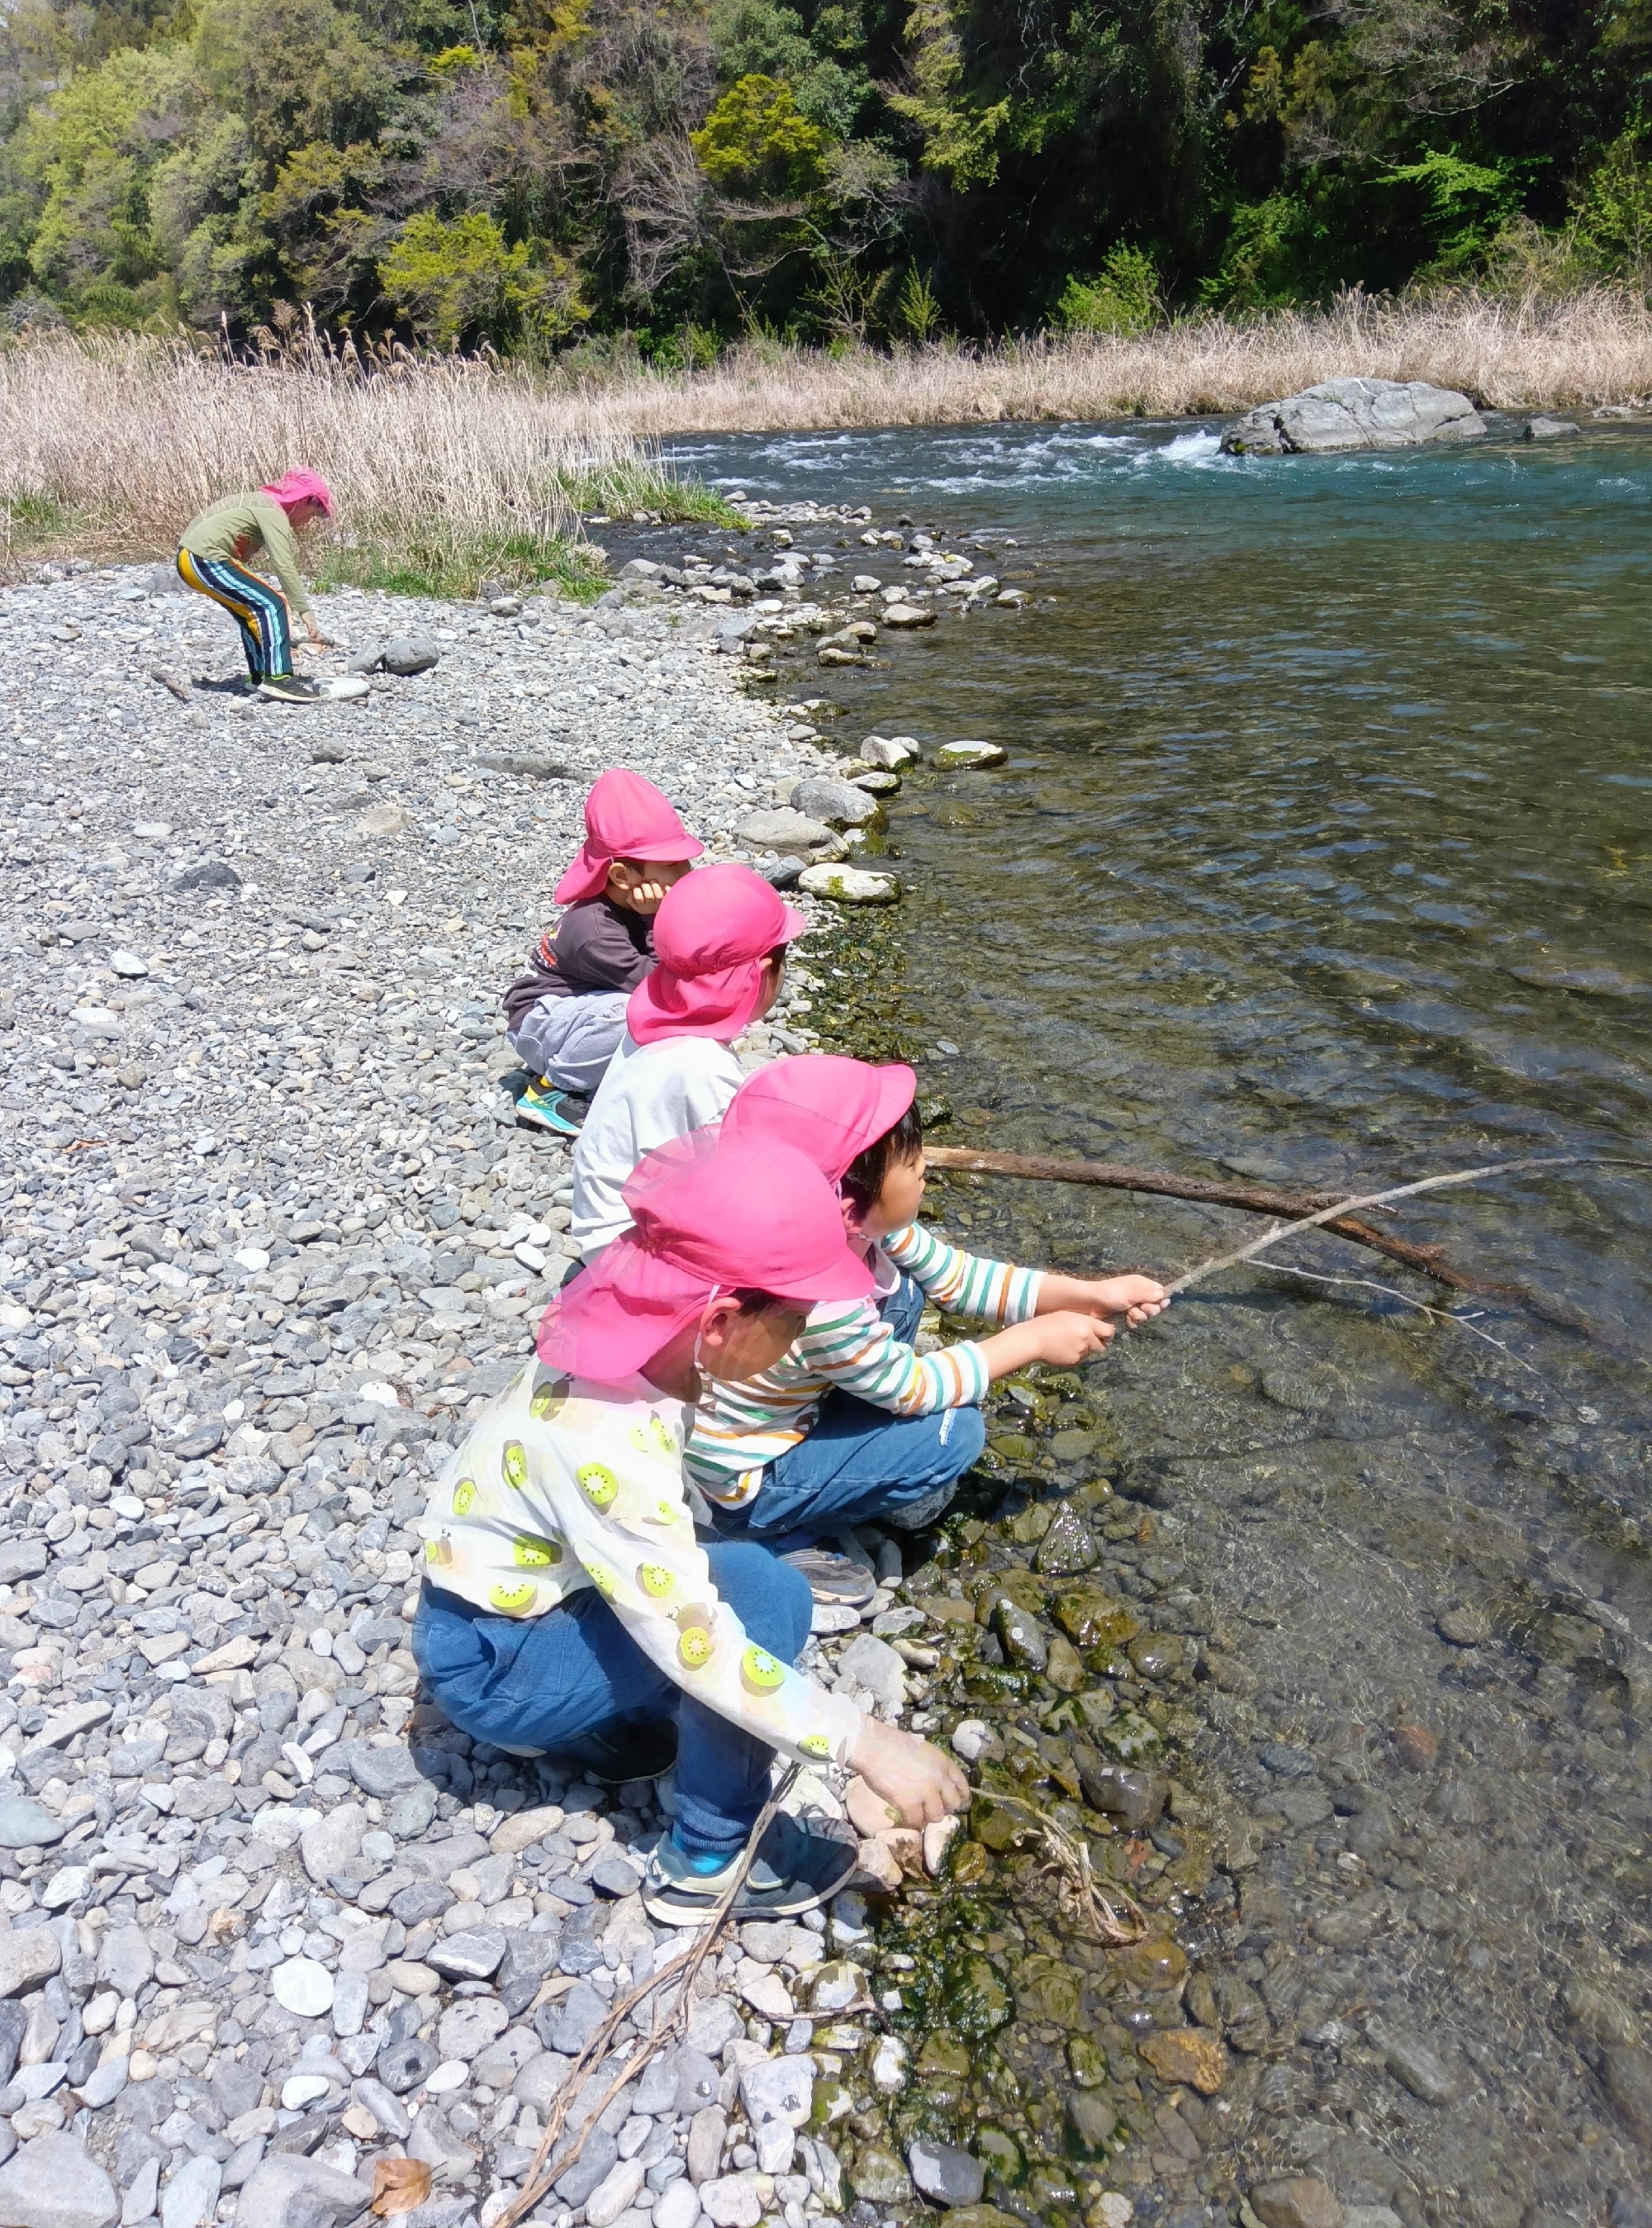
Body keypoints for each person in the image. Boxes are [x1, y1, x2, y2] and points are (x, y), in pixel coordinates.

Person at [413, 1132, 970, 1925]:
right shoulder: (609, 1440)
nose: (803, 1343)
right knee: (764, 1599)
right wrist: (865, 1741)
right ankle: (709, 1860)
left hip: (491, 1619)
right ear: (722, 1323)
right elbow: (699, 1642)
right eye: (798, 1325)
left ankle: (602, 1727)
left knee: (711, 1574)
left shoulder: (625, 1341)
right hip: (494, 1668)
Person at [693, 1054, 1169, 1603]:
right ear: (849, 1206)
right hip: (749, 1481)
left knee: (908, 1287)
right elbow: (915, 1388)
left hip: (787, 1406)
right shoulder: (819, 1302)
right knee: (955, 1435)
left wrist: (1092, 1292)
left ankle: (839, 1433)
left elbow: (960, 1278)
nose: (925, 1168)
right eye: (911, 1159)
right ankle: (767, 1534)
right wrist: (1034, 1341)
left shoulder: (849, 1226)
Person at [567, 862, 804, 1262]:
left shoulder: (658, 1020)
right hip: (635, 1256)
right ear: (762, 972)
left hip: (610, 1229)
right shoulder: (702, 1065)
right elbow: (741, 1186)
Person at [504, 770, 704, 1138]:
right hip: (539, 1023)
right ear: (623, 876)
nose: (687, 872)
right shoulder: (594, 932)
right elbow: (657, 984)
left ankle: (583, 1065)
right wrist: (654, 919)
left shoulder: (626, 906)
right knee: (628, 1011)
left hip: (577, 1013)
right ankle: (556, 1091)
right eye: (673, 865)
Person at [176, 470, 335, 705]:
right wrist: (304, 611)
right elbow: (284, 564)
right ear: (302, 501)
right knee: (272, 604)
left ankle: (259, 675)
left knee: (250, 610)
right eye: (313, 514)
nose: (308, 521)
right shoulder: (273, 512)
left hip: (189, 558)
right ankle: (278, 679)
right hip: (204, 558)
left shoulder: (260, 503)